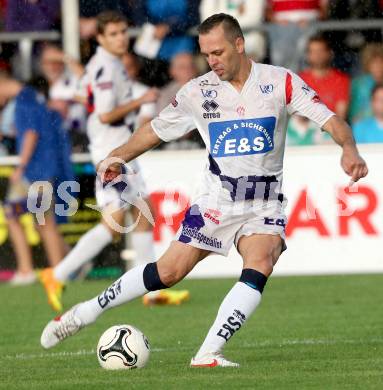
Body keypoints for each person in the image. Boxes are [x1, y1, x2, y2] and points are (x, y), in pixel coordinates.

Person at [41, 13, 368, 367]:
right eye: (206, 54)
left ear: (239, 45)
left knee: (263, 259)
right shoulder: (198, 91)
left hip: (263, 203)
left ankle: (208, 352)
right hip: (216, 201)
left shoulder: (280, 82)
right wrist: (117, 156)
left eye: (218, 52)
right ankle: (84, 312)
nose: (212, 61)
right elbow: (154, 130)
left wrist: (348, 149)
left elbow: (331, 120)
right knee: (167, 273)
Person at [38, 11, 189, 312]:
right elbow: (105, 114)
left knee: (144, 214)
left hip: (120, 149)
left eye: (123, 32)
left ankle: (152, 289)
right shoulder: (106, 68)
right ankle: (56, 274)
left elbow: (87, 95)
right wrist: (140, 100)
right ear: (100, 38)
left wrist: (74, 66)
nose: (122, 38)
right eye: (115, 34)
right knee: (115, 221)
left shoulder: (104, 64)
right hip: (112, 153)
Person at [0, 75, 71, 285]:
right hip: (45, 167)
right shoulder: (34, 97)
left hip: (34, 171)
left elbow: (31, 134)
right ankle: (64, 266)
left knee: (39, 221)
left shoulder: (23, 101)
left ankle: (48, 271)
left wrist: (21, 166)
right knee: (38, 221)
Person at [349, 44, 383, 124]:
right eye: (374, 63)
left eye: (380, 63)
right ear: (368, 64)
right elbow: (353, 111)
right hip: (363, 126)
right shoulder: (358, 84)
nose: (378, 67)